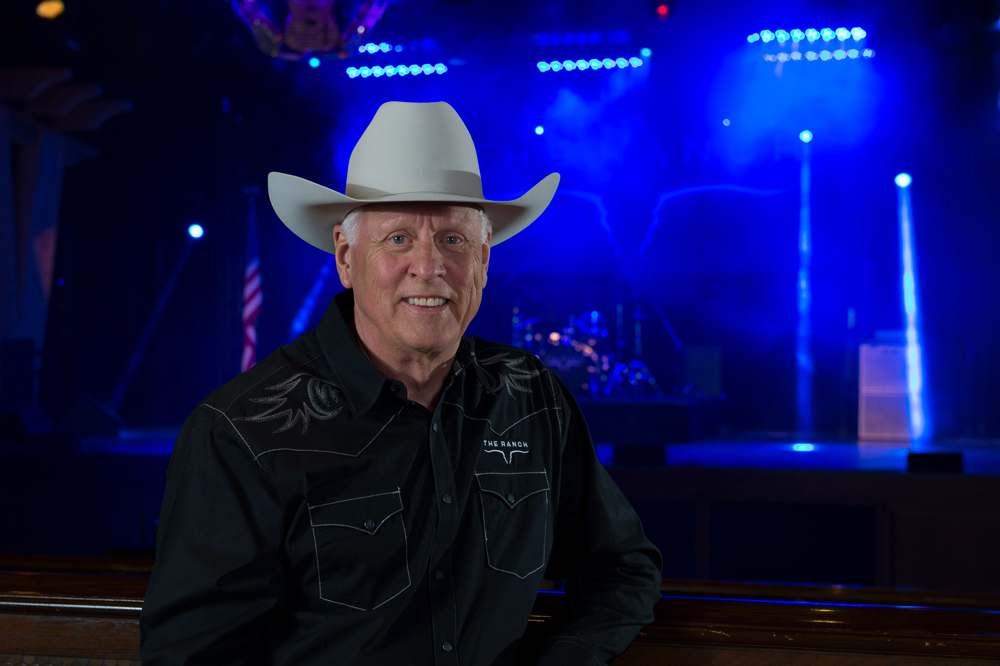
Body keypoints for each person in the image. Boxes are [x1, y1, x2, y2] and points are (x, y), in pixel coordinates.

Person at [139, 101, 662, 665]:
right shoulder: (241, 431)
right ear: (345, 255)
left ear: (484, 259)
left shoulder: (531, 396)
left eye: (454, 240)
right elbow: (189, 657)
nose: (428, 265)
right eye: (398, 239)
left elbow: (622, 568)